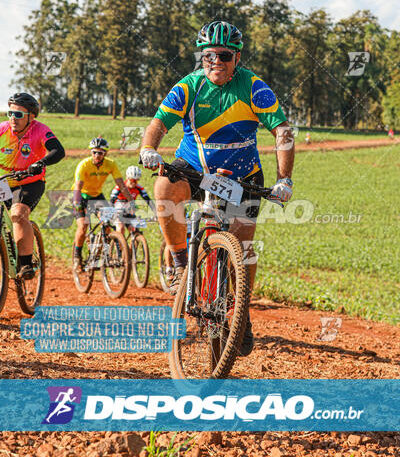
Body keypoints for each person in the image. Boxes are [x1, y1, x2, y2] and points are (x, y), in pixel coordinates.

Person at [140, 20, 295, 356]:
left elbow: (282, 131)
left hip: (241, 174)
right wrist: (149, 149)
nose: (215, 62)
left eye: (223, 55)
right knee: (165, 189)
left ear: (236, 57)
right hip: (195, 168)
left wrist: (285, 179)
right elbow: (158, 124)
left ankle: (241, 310)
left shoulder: (254, 87)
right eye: (208, 55)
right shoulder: (189, 86)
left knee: (244, 243)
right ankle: (182, 263)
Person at [0, 92, 65, 278]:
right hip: (5, 182)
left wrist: (40, 163)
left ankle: (26, 263)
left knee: (18, 214)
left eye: (18, 114)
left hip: (30, 182)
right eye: (10, 113)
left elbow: (58, 151)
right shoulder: (3, 129)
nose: (13, 118)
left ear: (31, 116)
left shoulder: (40, 130)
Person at [72, 137, 131, 269]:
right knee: (83, 226)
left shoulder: (111, 164)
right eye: (94, 152)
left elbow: (121, 184)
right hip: (80, 195)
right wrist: (77, 203)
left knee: (107, 223)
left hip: (97, 196)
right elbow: (78, 187)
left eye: (100, 152)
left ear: (105, 153)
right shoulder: (84, 165)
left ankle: (100, 254)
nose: (97, 155)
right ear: (91, 152)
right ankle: (77, 256)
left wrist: (131, 201)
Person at [110, 165, 155, 234]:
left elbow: (148, 200)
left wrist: (155, 212)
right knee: (121, 228)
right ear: (127, 178)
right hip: (118, 209)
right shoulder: (120, 186)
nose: (133, 183)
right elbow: (112, 199)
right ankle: (120, 243)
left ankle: (133, 244)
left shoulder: (139, 188)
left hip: (129, 209)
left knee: (135, 230)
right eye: (131, 180)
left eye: (136, 180)